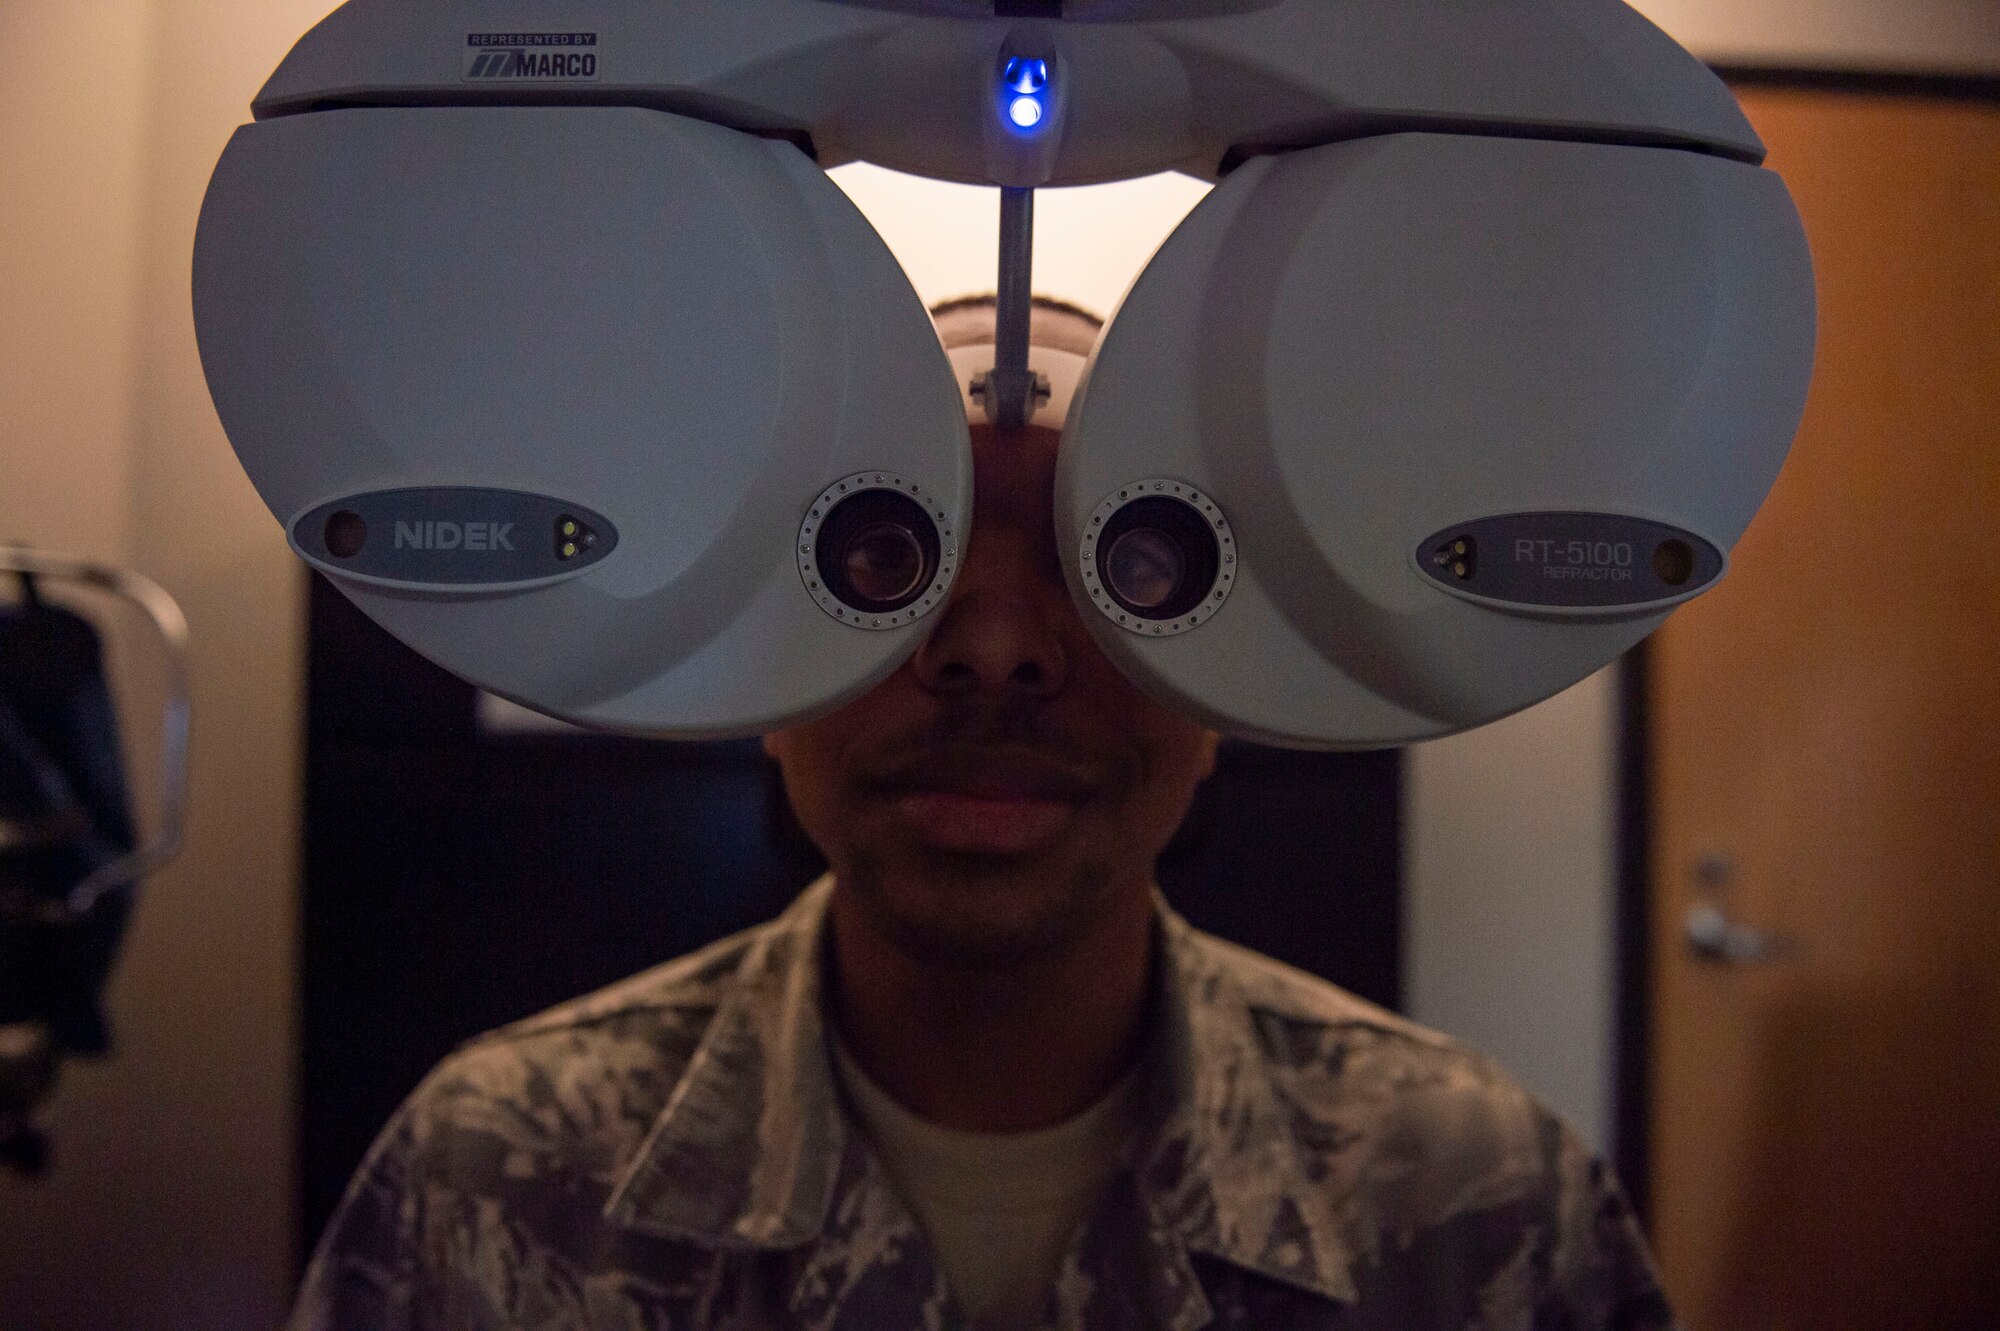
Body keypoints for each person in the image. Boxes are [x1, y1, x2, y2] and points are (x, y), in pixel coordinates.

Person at [288, 299, 1676, 1331]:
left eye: (1118, 561)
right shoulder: (491, 1189)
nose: (996, 643)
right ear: (766, 673)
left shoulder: (1480, 1207)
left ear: (1228, 687)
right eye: (888, 555)